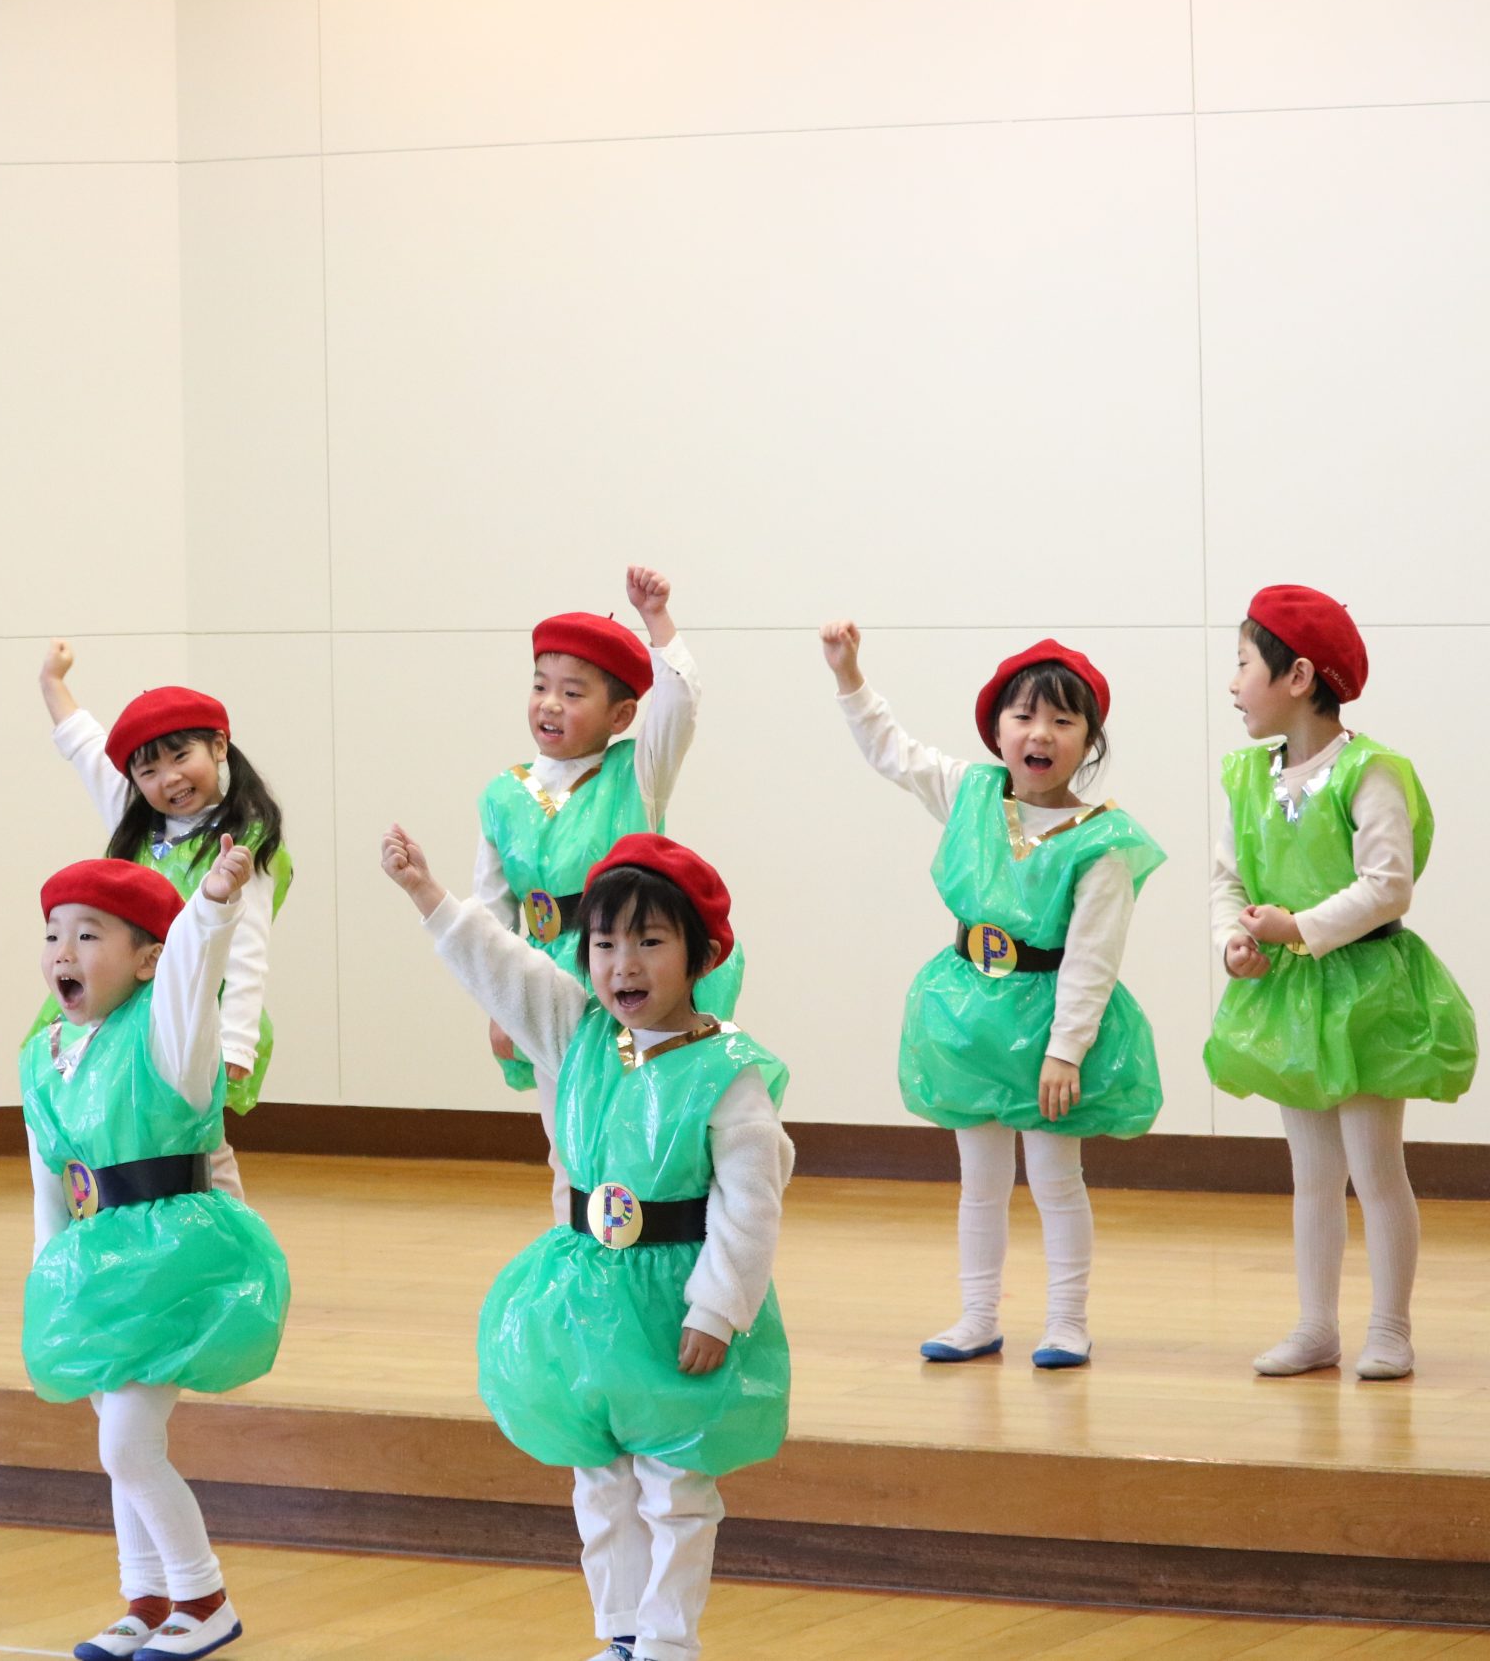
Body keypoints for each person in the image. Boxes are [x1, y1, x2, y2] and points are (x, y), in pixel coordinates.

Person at [385, 825, 788, 1661]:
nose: (623, 965)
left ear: (703, 953)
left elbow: (751, 1202)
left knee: (675, 1485)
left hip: (674, 1302)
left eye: (650, 942)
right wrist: (428, 892)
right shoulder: (577, 1033)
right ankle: (623, 1631)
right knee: (599, 1477)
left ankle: (669, 1642)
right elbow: (502, 965)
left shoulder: (729, 1071)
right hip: (585, 1298)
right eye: (604, 944)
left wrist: (719, 1307)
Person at [821, 626, 1164, 1369]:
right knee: (979, 1182)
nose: (1040, 733)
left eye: (1063, 720)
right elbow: (892, 750)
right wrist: (850, 676)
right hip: (967, 1017)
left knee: (1055, 1178)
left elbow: (1093, 957)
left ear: (1089, 740)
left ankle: (1067, 1321)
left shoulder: (1102, 840)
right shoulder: (970, 792)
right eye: (1023, 715)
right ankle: (978, 1316)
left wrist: (1065, 1050)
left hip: (1046, 1023)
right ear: (997, 729)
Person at [21, 851, 289, 1661]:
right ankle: (145, 1598)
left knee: (127, 1444)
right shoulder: (44, 1054)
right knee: (117, 1440)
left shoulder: (171, 1035)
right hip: (96, 1268)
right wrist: (50, 1282)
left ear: (147, 960)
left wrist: (211, 904)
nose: (63, 951)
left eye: (88, 934)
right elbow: (50, 1181)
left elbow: (191, 969)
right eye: (53, 934)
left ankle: (204, 1598)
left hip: (176, 1262)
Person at [1206, 585, 1475, 1380]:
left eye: (1243, 664)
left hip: (1365, 990)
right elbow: (1227, 878)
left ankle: (1390, 1327)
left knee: (1375, 1165)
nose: (1232, 683)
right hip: (1294, 992)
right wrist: (1234, 942)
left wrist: (1299, 926)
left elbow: (1388, 885)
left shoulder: (1370, 770)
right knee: (1314, 1171)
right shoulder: (1247, 776)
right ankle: (1316, 1326)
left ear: (1297, 676)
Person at [479, 568, 735, 1222]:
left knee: (641, 1128)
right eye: (540, 686)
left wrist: (657, 620)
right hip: (548, 980)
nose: (550, 704)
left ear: (621, 715)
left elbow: (679, 704)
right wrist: (500, 1002)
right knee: (565, 1139)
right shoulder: (503, 795)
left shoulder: (636, 772)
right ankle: (575, 1253)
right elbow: (492, 913)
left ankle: (660, 1248)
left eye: (573, 692)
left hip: (629, 970)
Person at [37, 645, 290, 1195]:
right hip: (118, 1008)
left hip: (190, 1017)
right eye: (148, 770)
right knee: (114, 1127)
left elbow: (247, 948)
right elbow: (85, 747)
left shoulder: (245, 840)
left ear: (218, 745)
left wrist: (237, 1043)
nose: (168, 778)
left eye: (181, 757)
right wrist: (53, 683)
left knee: (196, 1142)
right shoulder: (137, 822)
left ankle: (224, 1232)